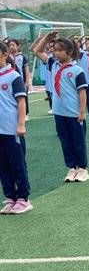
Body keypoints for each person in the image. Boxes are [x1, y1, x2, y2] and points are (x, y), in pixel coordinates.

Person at [32, 30, 89, 182]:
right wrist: (46, 38)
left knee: (78, 141)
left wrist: (82, 112)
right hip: (59, 112)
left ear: (69, 52)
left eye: (59, 51)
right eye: (54, 50)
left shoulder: (77, 70)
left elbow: (82, 92)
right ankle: (72, 168)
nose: (55, 53)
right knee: (65, 141)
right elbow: (37, 51)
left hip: (74, 113)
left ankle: (83, 168)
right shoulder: (53, 64)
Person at [0, 40, 31, 213]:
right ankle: (10, 197)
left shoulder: (13, 76)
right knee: (3, 165)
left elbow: (21, 102)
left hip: (11, 129)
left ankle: (23, 198)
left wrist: (21, 124)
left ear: (5, 55)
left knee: (17, 164)